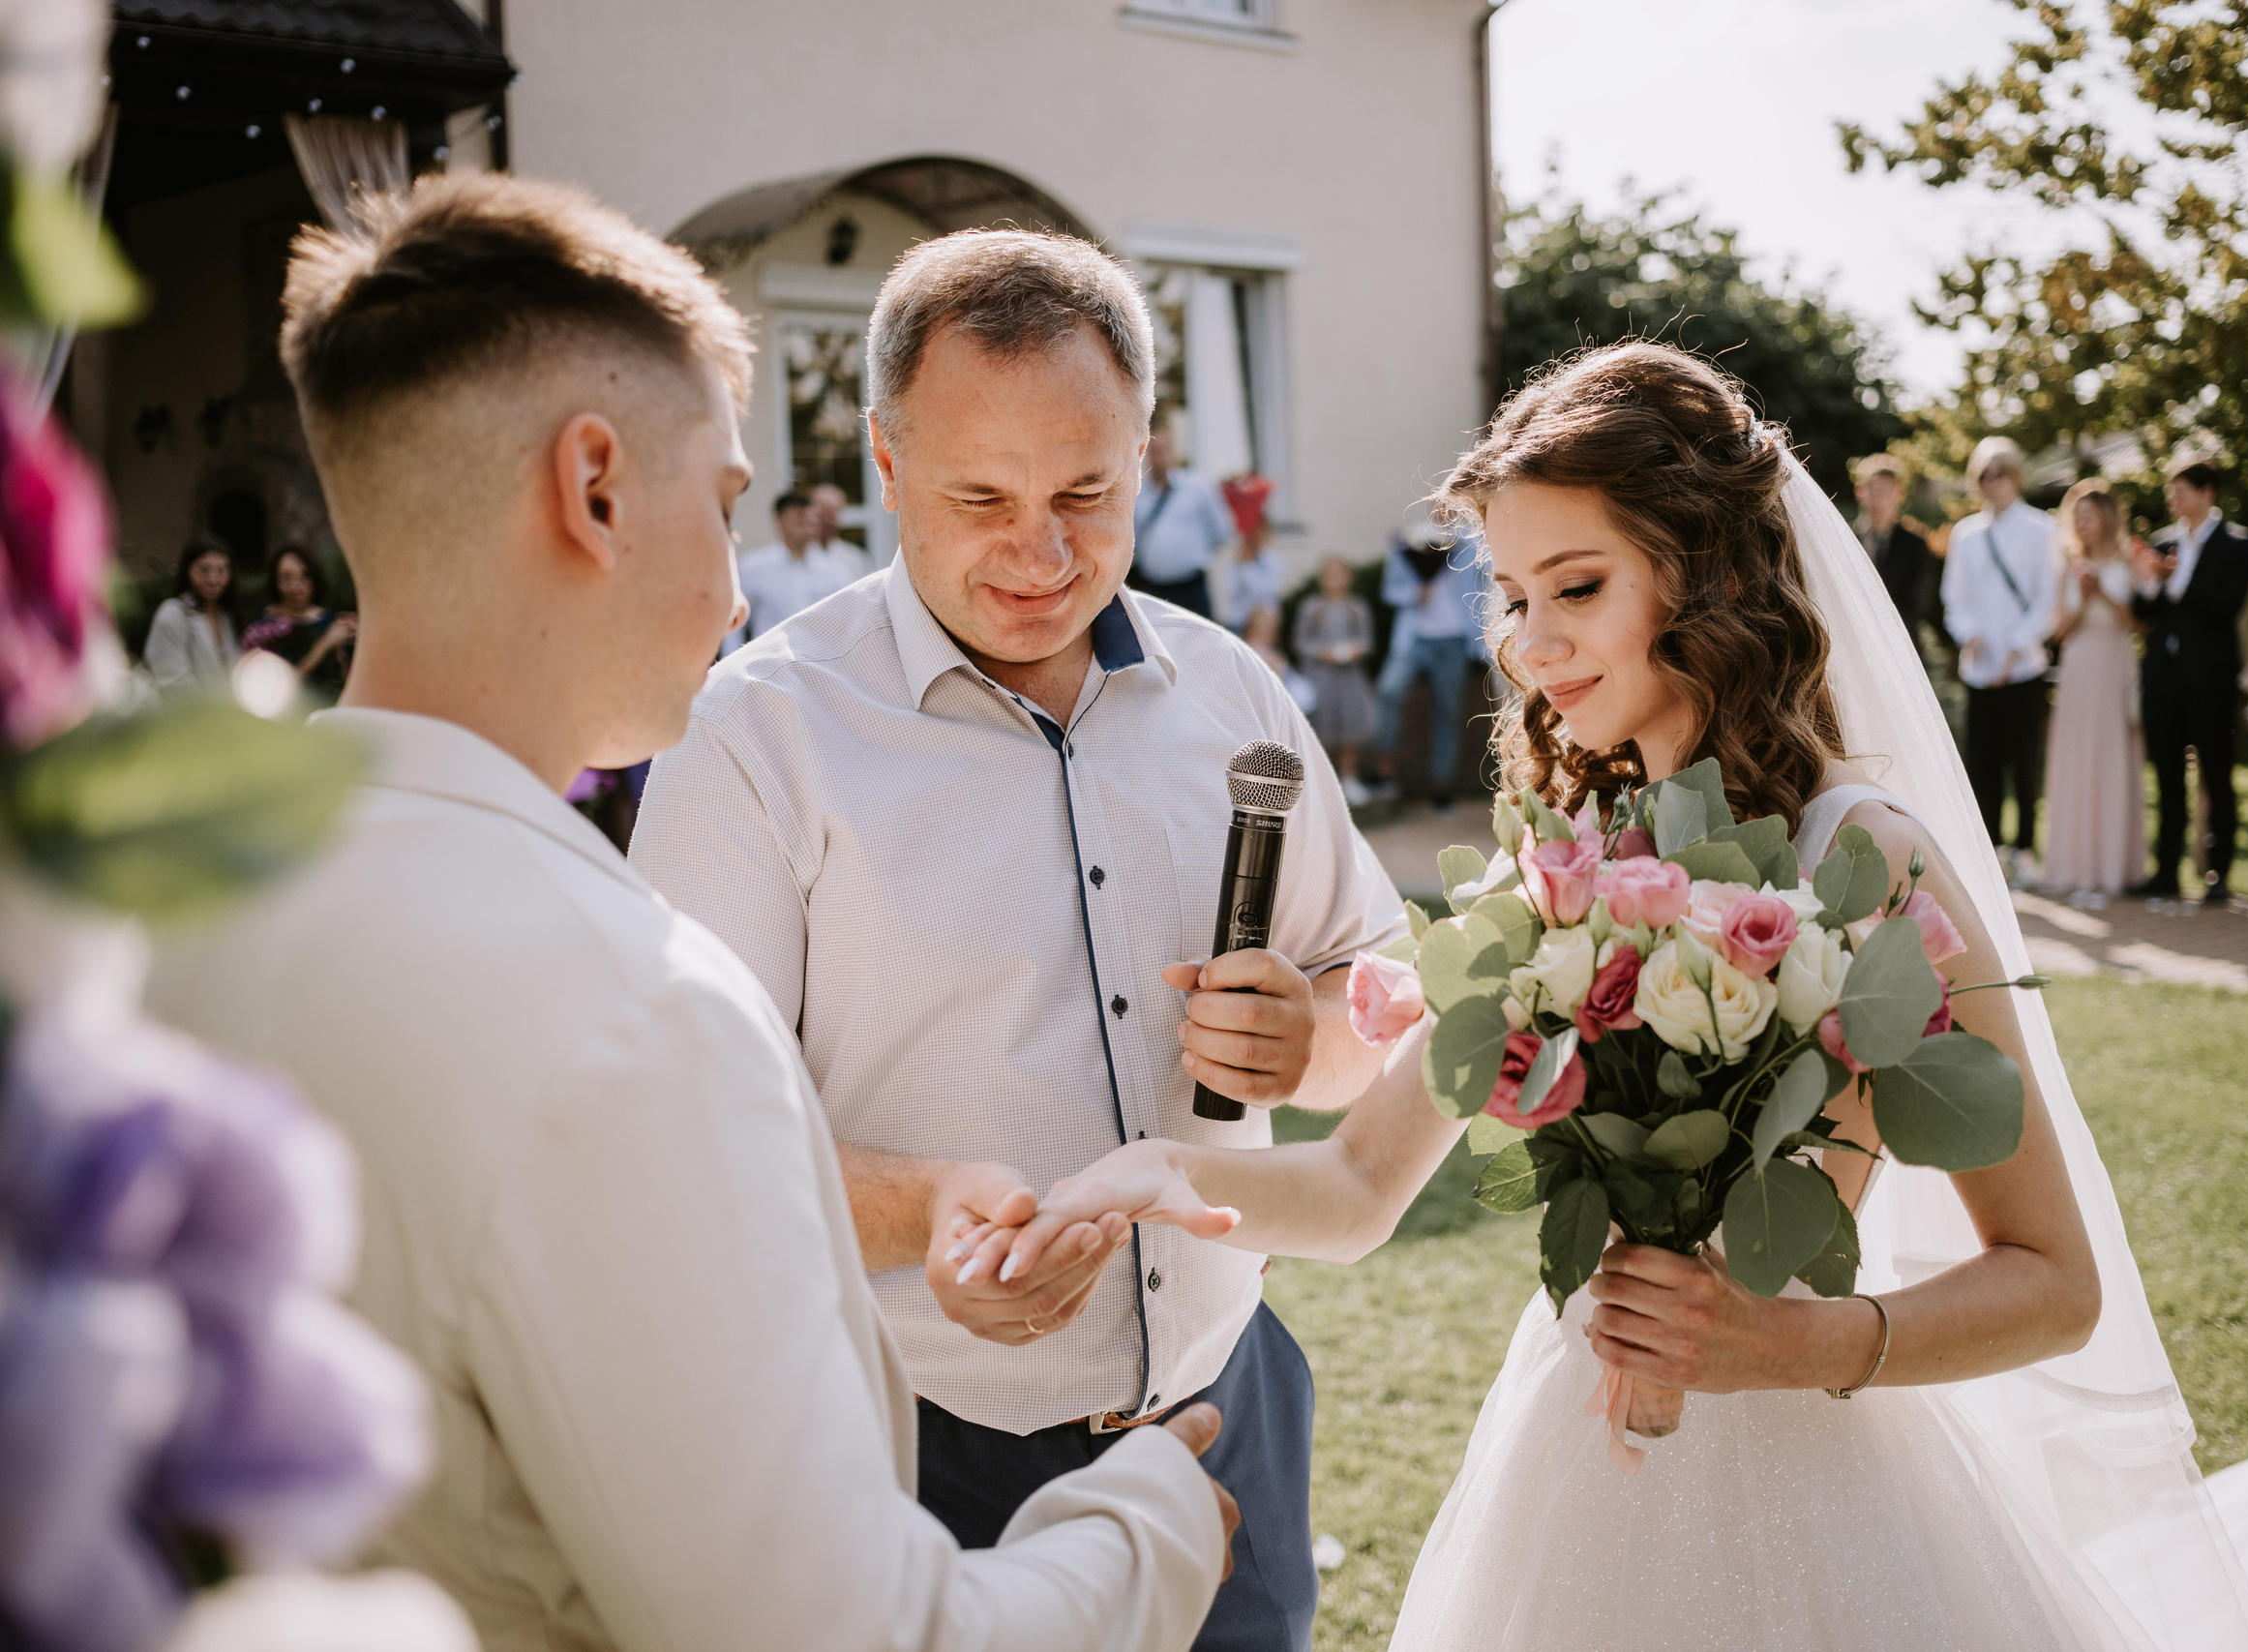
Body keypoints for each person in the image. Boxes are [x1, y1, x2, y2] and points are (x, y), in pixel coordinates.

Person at [146, 173, 1234, 1652]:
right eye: (724, 500)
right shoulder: (636, 1008)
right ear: (596, 489)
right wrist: (1150, 1518)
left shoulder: (162, 925)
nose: (738, 595)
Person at [1268, 340, 2248, 1652]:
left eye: (1577, 584)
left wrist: (1787, 1341)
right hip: (1572, 1455)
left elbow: (2055, 1281)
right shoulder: (1563, 856)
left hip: (1811, 1493)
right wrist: (1120, 1184)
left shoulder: (1865, 857)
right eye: (1512, 595)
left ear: (1708, 575)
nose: (1534, 642)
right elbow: (1352, 1187)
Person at [628, 228, 1426, 1652]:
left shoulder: (1233, 687)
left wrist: (1319, 1034)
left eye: (1088, 491)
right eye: (979, 495)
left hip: (1229, 1395)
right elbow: (692, 1138)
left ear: (1147, 453)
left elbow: (1384, 993)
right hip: (921, 1448)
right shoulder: (752, 737)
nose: (1043, 552)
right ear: (883, 464)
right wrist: (926, 1207)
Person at [2130, 453, 2248, 903]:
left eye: (2180, 490)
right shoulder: (2163, 541)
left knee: (2217, 774)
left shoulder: (2237, 543)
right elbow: (2147, 614)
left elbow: (2225, 606)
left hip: (2211, 678)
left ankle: (2217, 872)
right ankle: (2164, 869)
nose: (2172, 498)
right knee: (2166, 775)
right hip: (2163, 678)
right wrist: (2149, 581)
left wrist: (2176, 578)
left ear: (2207, 492)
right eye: (2170, 490)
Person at [1939, 436, 2059, 881]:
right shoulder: (1966, 534)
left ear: (2017, 476)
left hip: (2024, 666)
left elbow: (2049, 598)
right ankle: (1988, 853)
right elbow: (1955, 598)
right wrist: (1970, 637)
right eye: (1985, 475)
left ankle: (2025, 851)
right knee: (1982, 764)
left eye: (2001, 473)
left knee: (2024, 763)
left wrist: (2016, 645)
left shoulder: (2042, 528)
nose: (1994, 482)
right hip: (1979, 668)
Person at [2039, 480, 2146, 899]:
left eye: (2089, 515)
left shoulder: (2127, 561)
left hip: (2116, 662)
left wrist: (2104, 593)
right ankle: (2075, 864)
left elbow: (2138, 624)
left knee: (2114, 754)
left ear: (2106, 517)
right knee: (2078, 757)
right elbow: (2059, 630)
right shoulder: (2070, 564)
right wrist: (2084, 599)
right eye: (2076, 517)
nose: (2082, 524)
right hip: (2080, 663)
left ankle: (2116, 865)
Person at [1373, 512, 1489, 811]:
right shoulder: (1411, 538)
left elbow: (1490, 577)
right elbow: (1390, 590)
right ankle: (1384, 770)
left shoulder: (1471, 542)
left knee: (1448, 710)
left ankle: (1441, 786)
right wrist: (1415, 593)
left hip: (1453, 640)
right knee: (1389, 690)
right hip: (1414, 639)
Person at [726, 483, 869, 653]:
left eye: (811, 519)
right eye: (799, 519)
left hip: (819, 661)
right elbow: (732, 619)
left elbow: (850, 619)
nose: (807, 525)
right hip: (769, 662)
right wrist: (731, 660)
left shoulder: (835, 570)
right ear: (780, 521)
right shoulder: (753, 567)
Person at [1295, 556, 1379, 804]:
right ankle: (1322, 780)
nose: (1334, 579)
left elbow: (1367, 640)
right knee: (1322, 726)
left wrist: (1355, 650)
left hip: (1350, 677)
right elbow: (1301, 642)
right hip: (1321, 677)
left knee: (1349, 726)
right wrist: (1323, 653)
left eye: (1339, 573)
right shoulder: (1311, 608)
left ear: (1348, 578)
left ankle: (1349, 777)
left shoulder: (1357, 608)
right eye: (1329, 574)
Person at [1127, 423, 1232, 617]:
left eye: (1164, 450)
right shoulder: (1138, 494)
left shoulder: (1198, 487)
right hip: (1153, 588)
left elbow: (1222, 531)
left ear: (1174, 452)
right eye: (1155, 451)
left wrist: (1193, 555)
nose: (1159, 458)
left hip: (1190, 587)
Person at [240, 542, 357, 700]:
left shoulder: (329, 622)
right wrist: (327, 643)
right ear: (275, 581)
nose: (295, 587)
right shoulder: (264, 627)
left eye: (304, 577)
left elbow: (349, 682)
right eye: (286, 578)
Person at [1851, 453, 1939, 656]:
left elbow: (1917, 603)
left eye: (1885, 490)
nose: (1878, 497)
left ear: (1898, 494)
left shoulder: (1915, 545)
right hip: (1854, 648)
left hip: (1901, 649)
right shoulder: (1844, 540)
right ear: (1859, 492)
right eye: (1873, 489)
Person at [142, 534, 241, 695]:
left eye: (221, 571)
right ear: (187, 571)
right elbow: (172, 683)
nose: (213, 579)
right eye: (204, 570)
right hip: (187, 716)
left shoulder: (226, 615)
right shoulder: (173, 613)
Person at [1219, 524, 1284, 634]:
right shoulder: (1237, 559)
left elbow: (1264, 592)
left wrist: (1246, 567)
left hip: (1261, 624)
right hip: (1238, 621)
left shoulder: (1273, 561)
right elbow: (1229, 589)